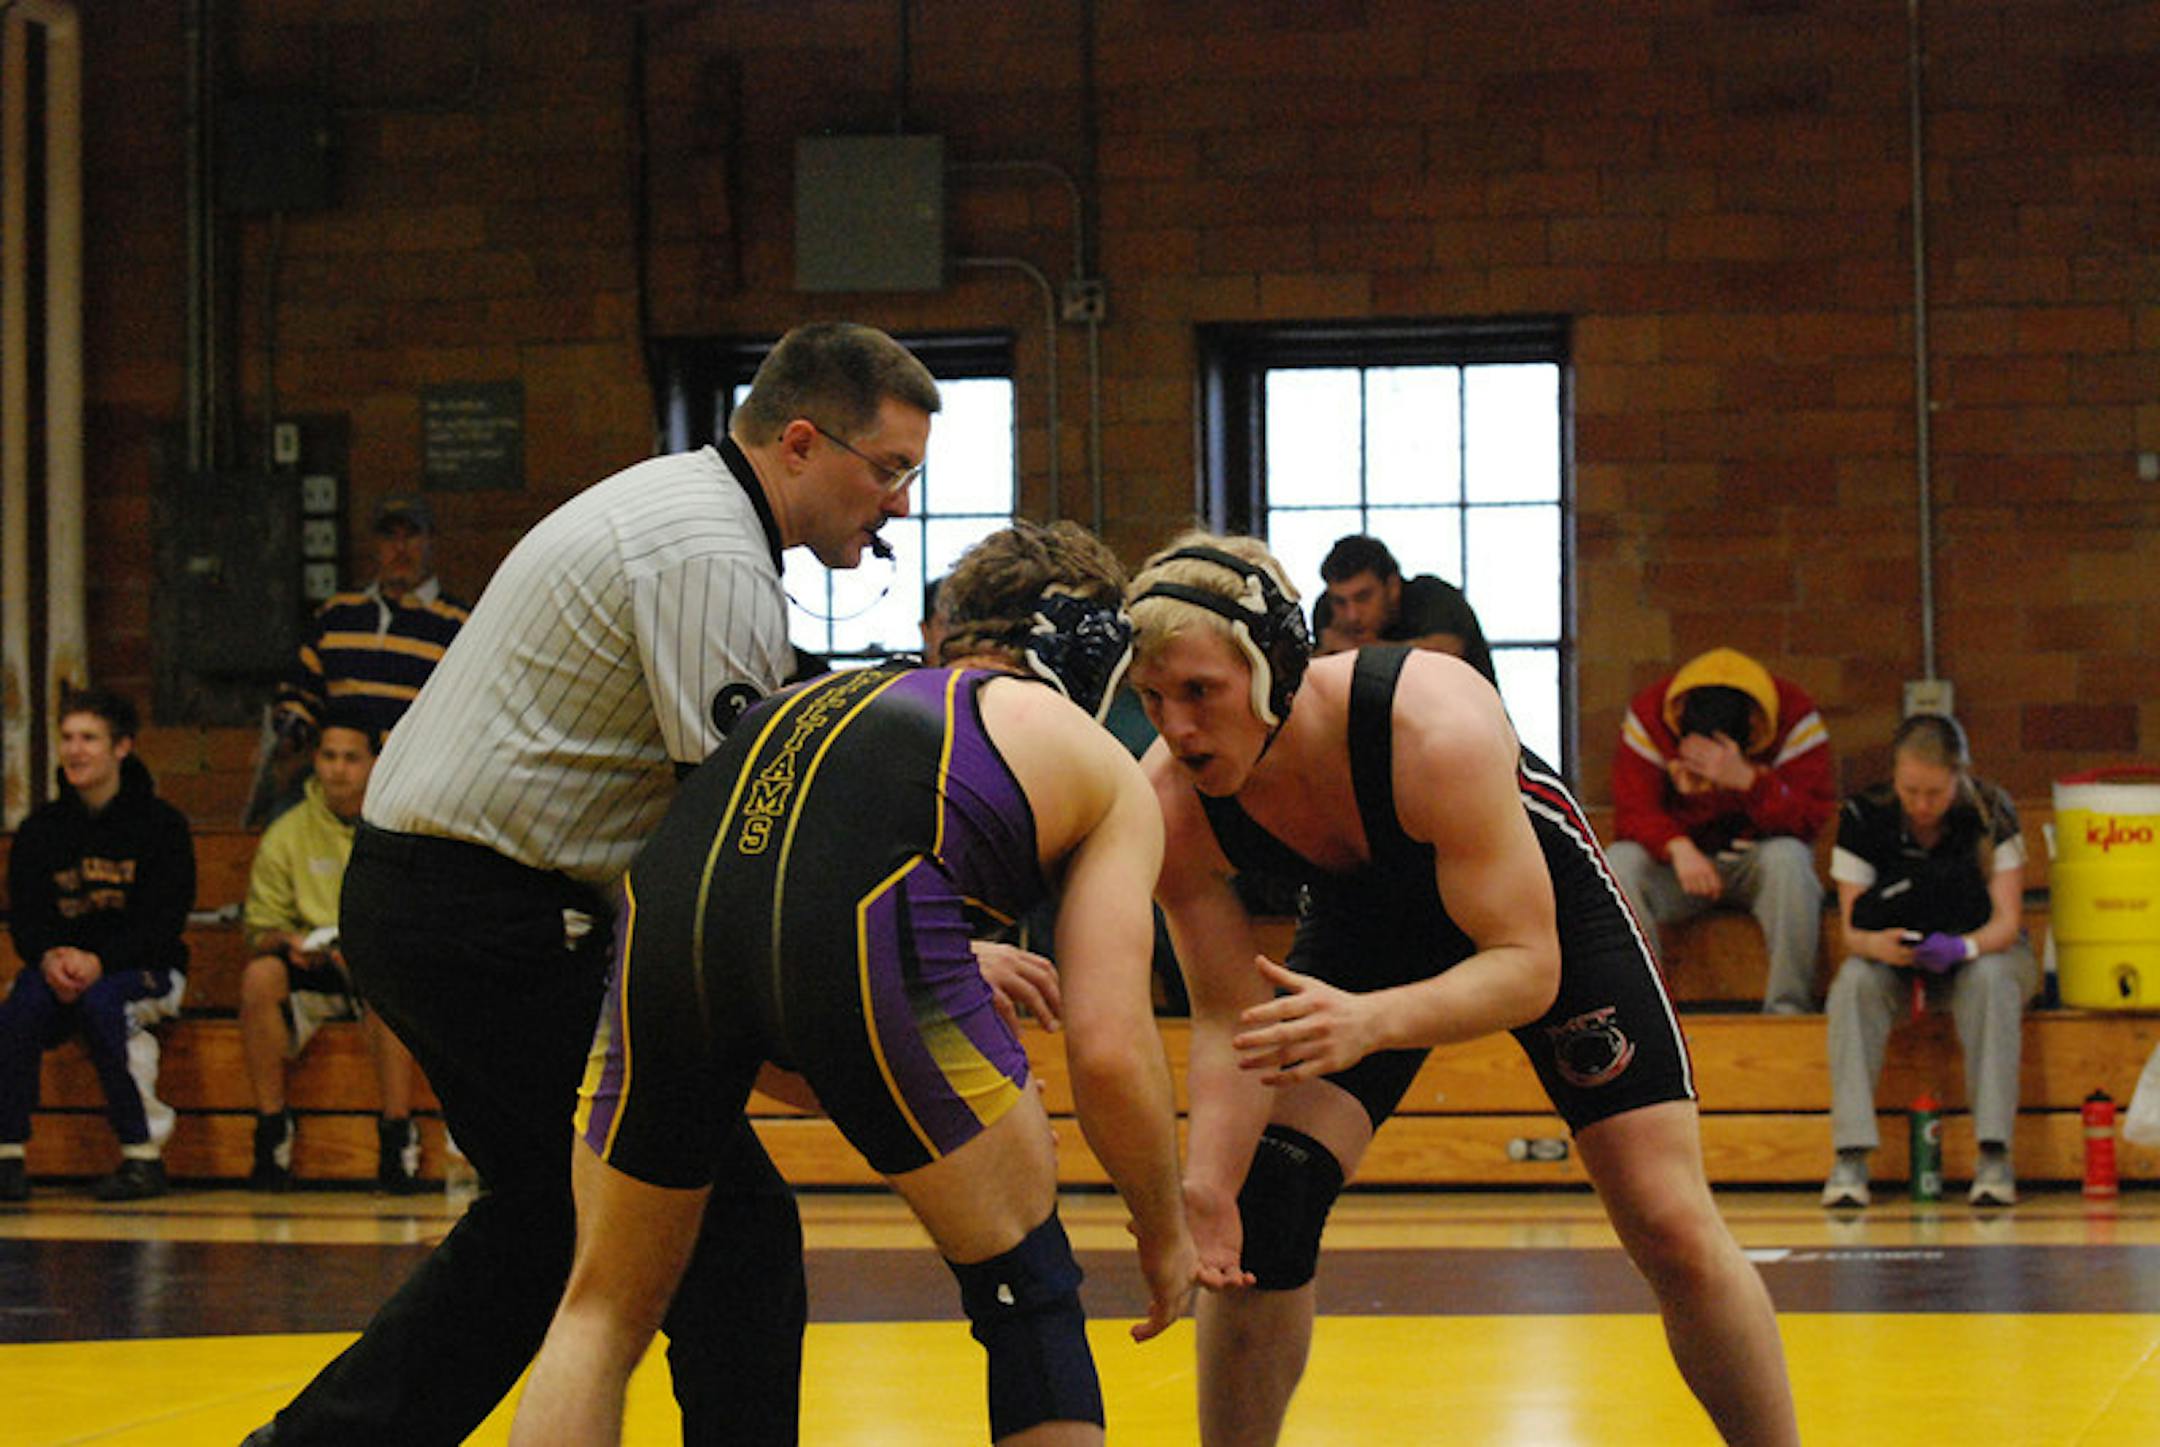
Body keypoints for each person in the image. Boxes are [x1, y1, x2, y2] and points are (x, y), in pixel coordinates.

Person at [243, 321, 939, 1447]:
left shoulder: (687, 512)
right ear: (803, 444)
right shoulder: (711, 554)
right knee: (727, 1217)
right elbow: (734, 841)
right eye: (891, 468)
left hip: (446, 902)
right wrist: (916, 944)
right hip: (477, 915)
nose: (900, 503)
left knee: (550, 1220)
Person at [510, 520, 1216, 1447]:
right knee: (1027, 1296)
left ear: (949, 633)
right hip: (862, 936)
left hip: (662, 928)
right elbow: (1109, 1045)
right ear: (1093, 653)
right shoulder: (1094, 762)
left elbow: (756, 962)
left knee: (599, 1309)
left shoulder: (811, 698)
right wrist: (1164, 1232)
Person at [1124, 534, 1798, 1447]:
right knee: (1262, 1209)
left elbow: (1528, 966)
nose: (1178, 729)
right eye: (1152, 699)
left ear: (1277, 662)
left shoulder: (1431, 721)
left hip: (1536, 911)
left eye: (1201, 691)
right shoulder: (1166, 801)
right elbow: (1223, 1015)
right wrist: (1205, 1185)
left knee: (1669, 1220)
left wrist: (1373, 1020)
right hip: (1367, 923)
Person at [1820, 713, 2034, 1210]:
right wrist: (1881, 946)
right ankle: (1850, 1156)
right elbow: (1853, 929)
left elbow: (2006, 923)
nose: (1920, 805)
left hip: (1982, 953)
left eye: (1934, 793)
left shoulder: (1991, 810)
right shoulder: (1862, 815)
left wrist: (1964, 949)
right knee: (1853, 982)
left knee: (1990, 980)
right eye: (1909, 790)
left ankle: (1994, 1154)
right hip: (1895, 960)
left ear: (1959, 777)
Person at [0, 689, 195, 1204]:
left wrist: (99, 961)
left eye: (89, 738)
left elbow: (164, 923)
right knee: (20, 1006)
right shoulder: (40, 830)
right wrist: (48, 957)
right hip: (64, 969)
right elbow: (25, 918)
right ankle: (8, 1156)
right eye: (67, 738)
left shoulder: (162, 826)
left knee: (104, 1004)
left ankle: (141, 1158)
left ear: (122, 748)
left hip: (148, 971)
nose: (75, 750)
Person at [238, 708, 423, 1193]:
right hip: (311, 964)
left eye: (351, 758)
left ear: (374, 763)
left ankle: (396, 1134)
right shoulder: (288, 831)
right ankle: (273, 1129)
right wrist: (287, 942)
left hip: (378, 968)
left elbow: (421, 917)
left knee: (389, 992)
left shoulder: (400, 823)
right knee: (259, 977)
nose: (338, 769)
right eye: (328, 756)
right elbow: (259, 927)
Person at [1607, 646, 1836, 1013]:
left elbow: (1809, 819)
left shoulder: (1793, 715)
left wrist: (1747, 780)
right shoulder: (1651, 715)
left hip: (1756, 862)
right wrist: (1677, 847)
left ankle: (1787, 1010)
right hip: (1679, 869)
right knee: (1620, 862)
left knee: (1790, 860)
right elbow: (1633, 812)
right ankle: (1646, 1014)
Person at [253, 495, 470, 826]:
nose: (400, 548)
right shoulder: (337, 615)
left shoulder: (459, 626)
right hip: (337, 783)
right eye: (389, 537)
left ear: (430, 542)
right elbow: (301, 694)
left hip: (413, 789)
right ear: (375, 546)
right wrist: (283, 740)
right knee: (280, 820)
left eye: (411, 536)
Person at [1308, 533, 1494, 683]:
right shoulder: (1327, 610)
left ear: (1393, 587)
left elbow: (1447, 656)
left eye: (1363, 597)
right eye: (1340, 602)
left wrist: (1357, 651)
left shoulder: (1430, 595)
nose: (1352, 615)